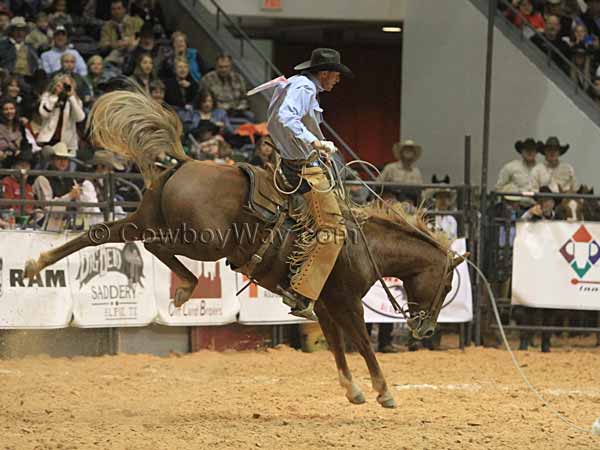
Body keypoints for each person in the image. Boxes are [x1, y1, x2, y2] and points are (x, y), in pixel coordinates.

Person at [266, 47, 353, 320]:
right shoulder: (303, 87)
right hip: (305, 169)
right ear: (325, 73)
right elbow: (286, 118)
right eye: (335, 75)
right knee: (334, 229)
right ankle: (303, 293)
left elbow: (280, 119)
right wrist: (314, 141)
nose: (337, 80)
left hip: (294, 164)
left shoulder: (297, 85)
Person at [517, 185, 557, 352]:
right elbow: (520, 230)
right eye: (543, 201)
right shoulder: (529, 216)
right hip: (532, 265)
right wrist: (531, 215)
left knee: (550, 307)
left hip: (551, 267)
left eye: (549, 200)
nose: (547, 204)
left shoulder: (559, 218)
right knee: (528, 305)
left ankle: (546, 342)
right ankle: (525, 340)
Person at [31, 141, 81, 231]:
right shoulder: (42, 179)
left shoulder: (70, 179)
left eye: (65, 159)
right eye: (59, 158)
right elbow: (48, 207)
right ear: (52, 160)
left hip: (66, 221)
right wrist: (69, 196)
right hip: (44, 222)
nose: (63, 162)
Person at [36, 73, 85, 153]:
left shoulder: (75, 100)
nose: (63, 87)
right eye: (61, 84)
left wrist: (71, 98)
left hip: (67, 143)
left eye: (66, 85)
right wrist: (55, 97)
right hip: (48, 140)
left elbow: (80, 118)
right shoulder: (47, 97)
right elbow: (44, 114)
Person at [201, 54, 252, 120]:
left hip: (237, 109)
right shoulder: (207, 79)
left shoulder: (238, 78)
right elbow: (204, 99)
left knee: (251, 116)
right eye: (221, 67)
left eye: (226, 67)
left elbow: (245, 97)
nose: (224, 69)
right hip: (217, 110)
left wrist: (240, 107)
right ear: (216, 66)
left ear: (231, 66)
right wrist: (224, 107)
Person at [99, 0, 143, 66]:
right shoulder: (106, 26)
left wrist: (130, 41)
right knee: (107, 62)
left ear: (124, 9)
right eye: (113, 9)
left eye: (119, 8)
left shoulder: (137, 21)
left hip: (135, 53)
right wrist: (113, 44)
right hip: (115, 54)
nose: (116, 12)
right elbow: (102, 46)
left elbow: (145, 37)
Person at [0, 97, 31, 168]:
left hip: (18, 159)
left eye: (11, 109)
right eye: (6, 109)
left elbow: (25, 144)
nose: (9, 111)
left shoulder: (20, 125)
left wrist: (21, 153)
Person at [425, 175, 458, 241]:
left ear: (449, 200)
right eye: (440, 197)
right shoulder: (429, 217)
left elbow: (452, 240)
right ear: (435, 199)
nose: (443, 200)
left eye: (446, 197)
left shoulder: (452, 220)